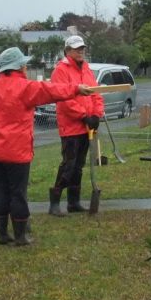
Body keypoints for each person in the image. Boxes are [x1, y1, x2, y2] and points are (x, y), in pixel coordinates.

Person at [0, 47, 93, 244]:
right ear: (18, 67)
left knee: (0, 191)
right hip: (18, 152)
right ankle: (20, 236)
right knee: (18, 193)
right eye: (24, 64)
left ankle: (2, 234)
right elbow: (52, 90)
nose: (26, 67)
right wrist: (76, 89)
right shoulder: (26, 88)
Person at [48, 35, 104, 216]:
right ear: (67, 51)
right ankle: (55, 202)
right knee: (68, 165)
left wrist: (96, 115)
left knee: (79, 165)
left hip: (87, 126)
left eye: (82, 48)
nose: (80, 51)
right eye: (76, 48)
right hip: (70, 126)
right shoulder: (60, 70)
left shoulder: (87, 69)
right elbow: (63, 99)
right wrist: (84, 115)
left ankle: (73, 202)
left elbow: (96, 94)